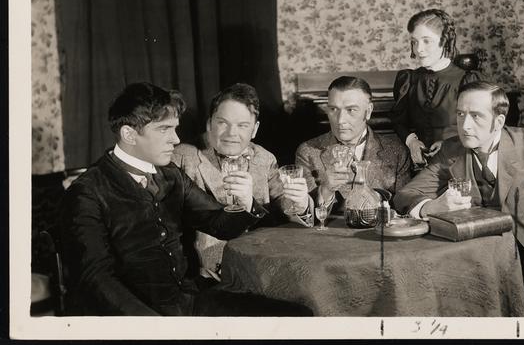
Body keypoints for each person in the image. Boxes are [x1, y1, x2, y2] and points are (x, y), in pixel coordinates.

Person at [60, 82, 311, 316]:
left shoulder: (170, 174)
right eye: (164, 129)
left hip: (188, 302)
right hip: (136, 317)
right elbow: (96, 279)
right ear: (129, 134)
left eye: (175, 128)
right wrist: (155, 327)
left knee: (298, 316)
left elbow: (219, 223)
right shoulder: (87, 191)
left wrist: (245, 204)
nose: (176, 139)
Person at [393, 81, 524, 317]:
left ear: (499, 121)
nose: (465, 125)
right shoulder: (451, 150)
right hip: (480, 264)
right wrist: (432, 207)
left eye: (476, 116)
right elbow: (405, 195)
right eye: (460, 114)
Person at [172, 83, 313, 280]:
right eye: (223, 123)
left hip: (260, 265)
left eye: (242, 125)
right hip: (205, 274)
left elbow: (283, 209)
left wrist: (302, 203)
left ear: (254, 130)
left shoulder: (264, 159)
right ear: (209, 124)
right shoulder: (182, 157)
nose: (231, 133)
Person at [295, 76, 412, 214]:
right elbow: (305, 214)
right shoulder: (308, 152)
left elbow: (405, 208)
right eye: (333, 109)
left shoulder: (397, 152)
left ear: (368, 111)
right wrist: (326, 189)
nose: (340, 120)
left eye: (351, 110)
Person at [390, 9, 464, 170]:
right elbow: (399, 122)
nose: (418, 49)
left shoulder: (466, 80)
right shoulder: (409, 80)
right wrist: (412, 141)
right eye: (414, 42)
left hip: (460, 162)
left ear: (444, 41)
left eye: (426, 41)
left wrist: (449, 144)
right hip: (419, 166)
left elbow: (481, 128)